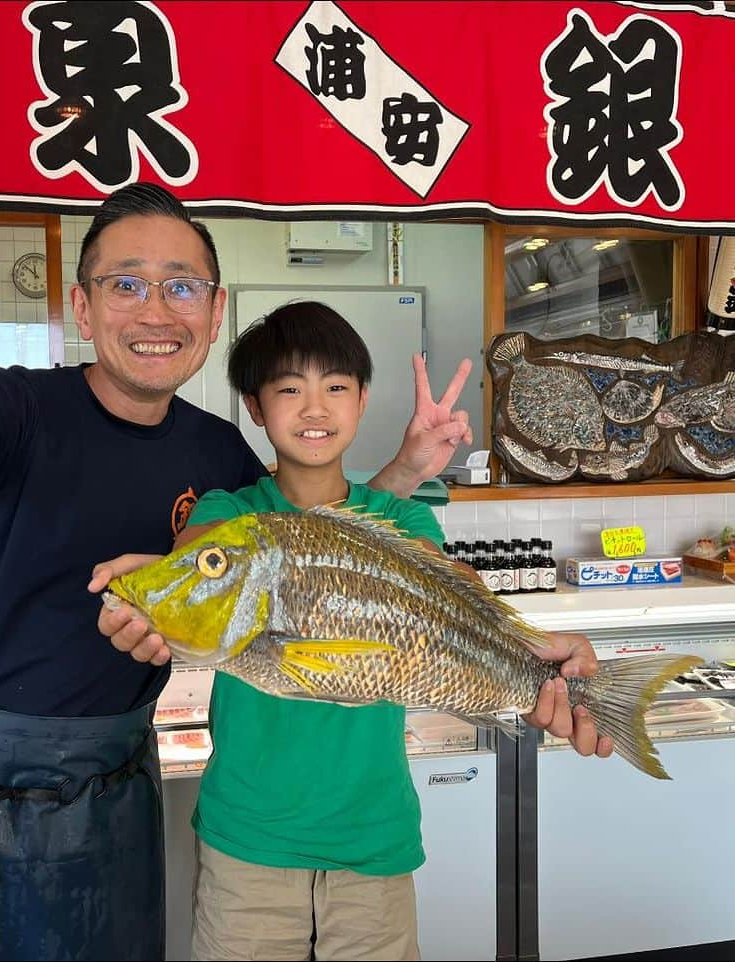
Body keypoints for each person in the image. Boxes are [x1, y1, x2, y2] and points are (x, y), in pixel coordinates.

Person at [0, 181, 564, 962]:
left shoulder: (219, 456)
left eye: (181, 287)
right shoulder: (23, 404)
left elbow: (313, 540)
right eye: (125, 284)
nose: (155, 308)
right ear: (83, 309)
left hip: (116, 769)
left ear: (211, 314)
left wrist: (404, 479)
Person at [97, 303, 615, 961]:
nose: (314, 408)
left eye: (335, 387)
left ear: (363, 399)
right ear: (255, 406)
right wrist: (167, 579)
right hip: (248, 845)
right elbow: (201, 553)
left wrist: (528, 659)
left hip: (373, 841)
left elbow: (453, 588)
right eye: (289, 389)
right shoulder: (233, 515)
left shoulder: (401, 518)